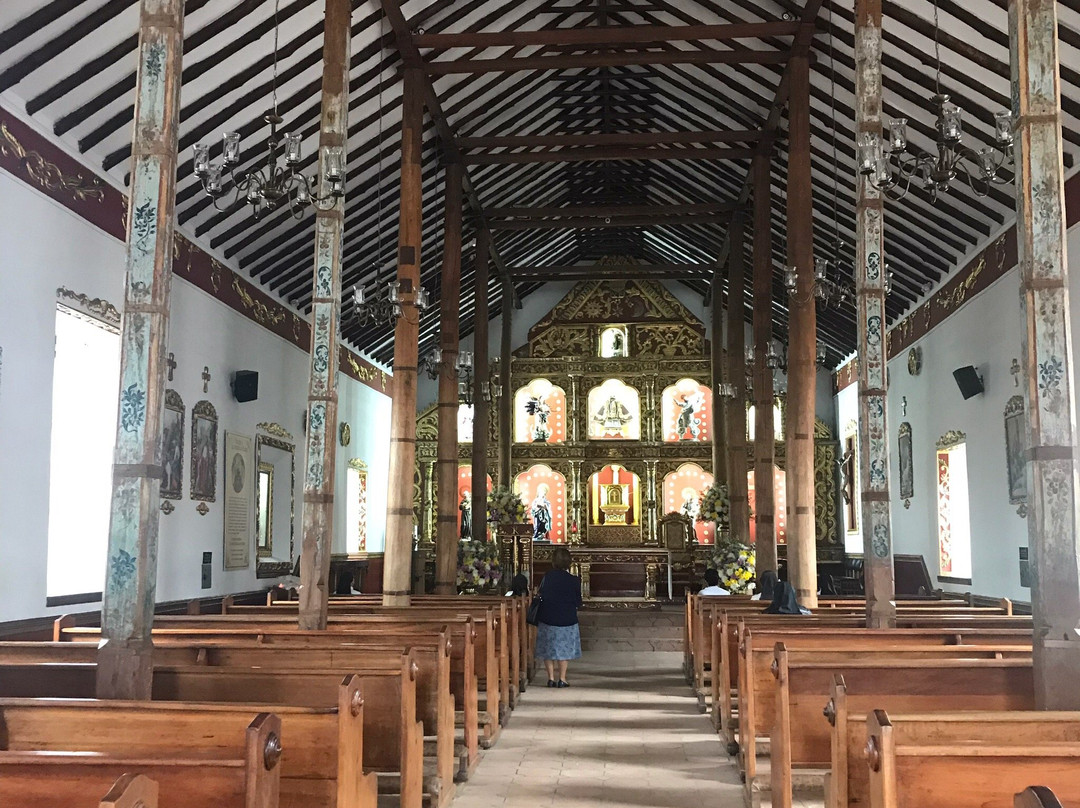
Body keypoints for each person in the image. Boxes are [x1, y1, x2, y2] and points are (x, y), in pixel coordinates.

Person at [535, 546, 582, 688]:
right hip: (567, 619)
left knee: (548, 648)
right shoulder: (573, 580)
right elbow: (578, 602)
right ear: (569, 562)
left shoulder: (547, 577)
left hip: (548, 617)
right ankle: (562, 678)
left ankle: (550, 678)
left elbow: (541, 595)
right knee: (564, 649)